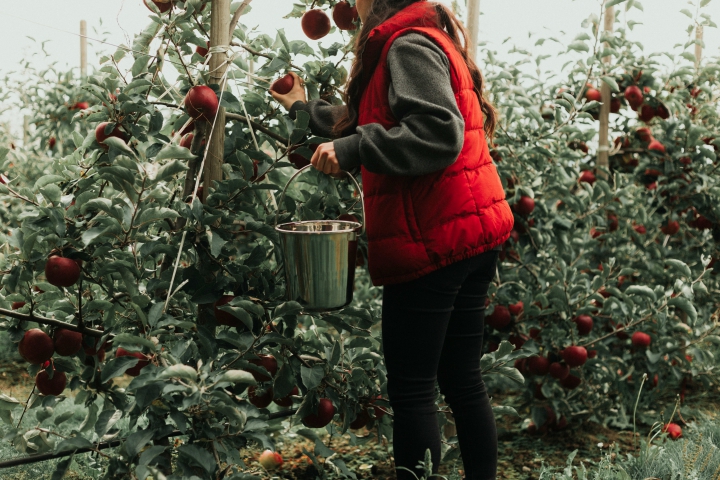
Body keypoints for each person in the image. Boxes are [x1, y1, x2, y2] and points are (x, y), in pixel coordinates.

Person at [271, 0, 514, 478]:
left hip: (434, 238)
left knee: (413, 389)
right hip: (467, 229)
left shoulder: (407, 45)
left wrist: (354, 149)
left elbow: (437, 132)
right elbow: (377, 116)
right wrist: (305, 110)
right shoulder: (420, 35)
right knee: (462, 379)